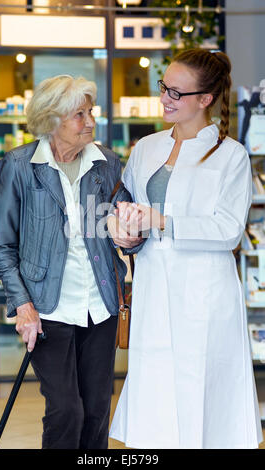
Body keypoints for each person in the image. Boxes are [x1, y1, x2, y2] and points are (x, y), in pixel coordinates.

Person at [108, 49, 263, 449]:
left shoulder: (231, 156)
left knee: (202, 387)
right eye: (164, 88)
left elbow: (228, 230)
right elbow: (122, 204)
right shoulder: (146, 148)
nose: (165, 99)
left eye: (176, 93)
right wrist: (124, 233)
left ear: (205, 99)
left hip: (205, 294)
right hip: (154, 285)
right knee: (154, 382)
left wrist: (161, 221)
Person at [0, 74, 140, 449]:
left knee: (95, 411)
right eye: (79, 114)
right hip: (46, 310)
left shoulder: (106, 164)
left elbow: (128, 228)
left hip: (101, 305)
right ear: (51, 119)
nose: (90, 121)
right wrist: (23, 306)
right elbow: (4, 247)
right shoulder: (20, 166)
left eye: (90, 111)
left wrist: (132, 235)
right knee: (66, 410)